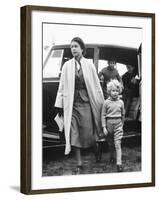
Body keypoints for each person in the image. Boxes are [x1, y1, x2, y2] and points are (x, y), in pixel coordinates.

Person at [54, 37, 104, 174]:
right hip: (72, 105)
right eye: (71, 47)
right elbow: (62, 86)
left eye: (76, 46)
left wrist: (101, 101)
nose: (73, 49)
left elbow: (96, 85)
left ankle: (96, 148)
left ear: (82, 48)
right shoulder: (66, 66)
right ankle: (79, 163)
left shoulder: (89, 65)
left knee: (88, 133)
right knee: (73, 133)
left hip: (86, 103)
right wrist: (59, 104)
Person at [101, 79, 125, 172]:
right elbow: (103, 115)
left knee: (118, 144)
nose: (115, 93)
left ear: (119, 91)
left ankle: (119, 163)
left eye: (117, 91)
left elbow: (123, 114)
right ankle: (111, 157)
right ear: (109, 91)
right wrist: (104, 127)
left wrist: (122, 124)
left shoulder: (121, 102)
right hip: (109, 125)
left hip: (118, 125)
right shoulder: (106, 102)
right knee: (111, 144)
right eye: (113, 91)